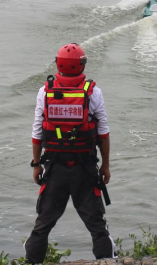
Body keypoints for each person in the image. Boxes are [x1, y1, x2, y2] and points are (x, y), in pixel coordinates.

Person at [24, 43, 115, 263]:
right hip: (85, 168)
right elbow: (103, 133)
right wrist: (105, 165)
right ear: (82, 65)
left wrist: (37, 165)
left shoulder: (45, 91)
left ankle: (31, 262)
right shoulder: (93, 92)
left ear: (58, 64)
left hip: (54, 169)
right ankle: (105, 260)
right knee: (97, 225)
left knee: (43, 224)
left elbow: (37, 132)